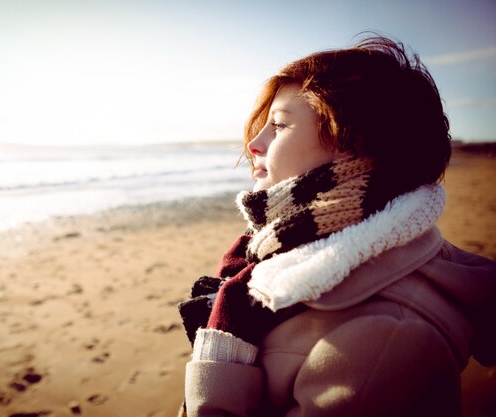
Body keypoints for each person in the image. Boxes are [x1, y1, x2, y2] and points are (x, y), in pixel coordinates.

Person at [177, 35, 496, 417]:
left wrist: (215, 388)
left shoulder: (385, 343)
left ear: (356, 146)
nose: (254, 145)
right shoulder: (275, 256)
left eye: (278, 126)